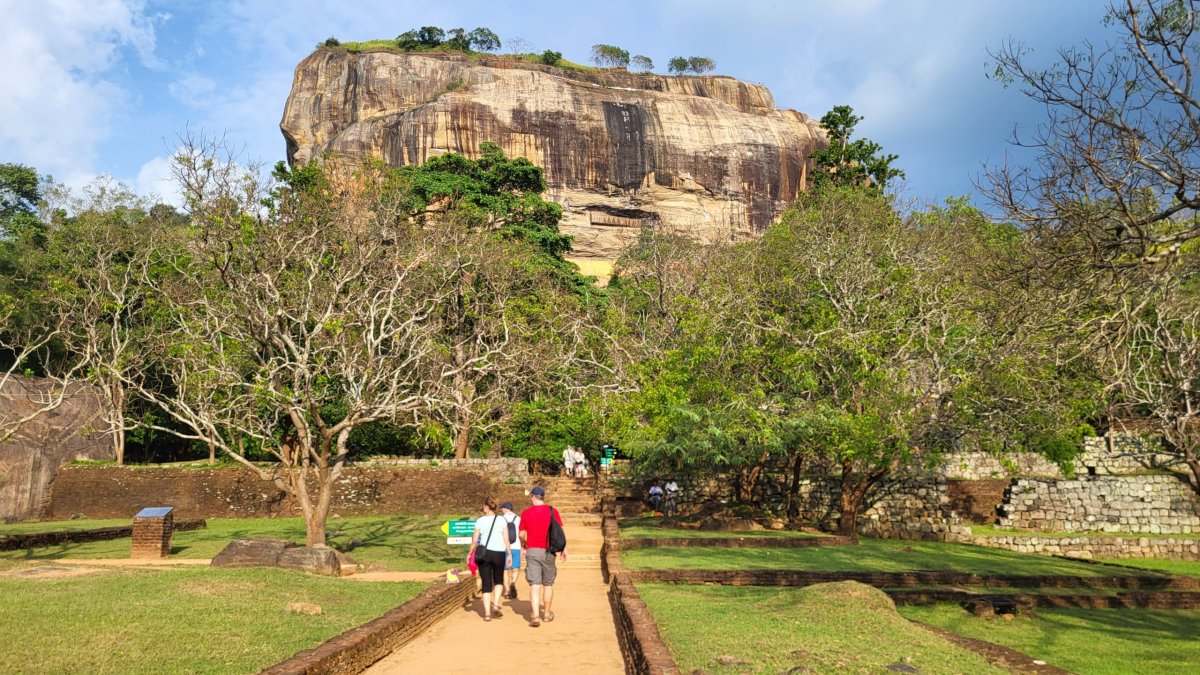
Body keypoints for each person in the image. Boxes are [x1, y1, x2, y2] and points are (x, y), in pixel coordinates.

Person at [518, 485, 566, 627]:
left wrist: (523, 546)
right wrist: (564, 549)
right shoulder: (552, 511)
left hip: (532, 550)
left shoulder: (526, 513)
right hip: (548, 551)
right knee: (548, 584)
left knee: (534, 584)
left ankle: (535, 617)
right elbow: (560, 532)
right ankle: (546, 613)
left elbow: (521, 534)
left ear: (533, 496)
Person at [468, 497, 512, 622]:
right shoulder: (501, 520)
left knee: (486, 583)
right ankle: (496, 603)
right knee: (498, 580)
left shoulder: (480, 521)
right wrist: (509, 554)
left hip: (484, 554)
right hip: (498, 553)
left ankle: (487, 613)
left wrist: (469, 553)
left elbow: (475, 540)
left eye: (484, 506)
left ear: (487, 507)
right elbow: (506, 539)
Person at [500, 501, 521, 600]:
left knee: (505, 570)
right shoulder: (519, 519)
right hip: (516, 546)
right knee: (515, 568)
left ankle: (507, 590)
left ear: (504, 509)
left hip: (504, 546)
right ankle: (513, 582)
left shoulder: (501, 519)